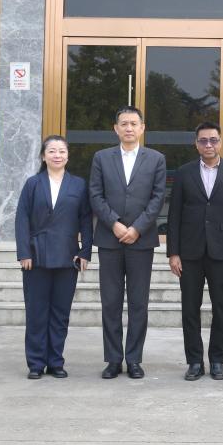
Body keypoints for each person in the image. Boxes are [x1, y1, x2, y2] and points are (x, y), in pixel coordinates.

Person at [166, 121, 223, 382]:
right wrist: (173, 252)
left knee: (221, 308)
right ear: (196, 144)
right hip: (189, 252)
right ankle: (194, 361)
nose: (209, 145)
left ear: (220, 142)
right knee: (190, 308)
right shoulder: (184, 172)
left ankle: (217, 360)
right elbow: (174, 214)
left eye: (213, 140)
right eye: (203, 140)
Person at [89, 106, 166, 380]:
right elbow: (95, 195)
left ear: (142, 128)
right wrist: (115, 223)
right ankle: (113, 359)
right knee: (110, 302)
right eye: (124, 123)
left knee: (138, 303)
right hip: (109, 239)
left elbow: (158, 198)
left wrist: (137, 228)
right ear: (116, 128)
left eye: (134, 123)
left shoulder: (156, 159)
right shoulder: (101, 157)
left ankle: (134, 359)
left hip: (141, 241)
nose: (129, 128)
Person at [14, 135, 92, 380]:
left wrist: (85, 251)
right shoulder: (33, 184)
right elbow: (21, 219)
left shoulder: (78, 185)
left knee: (60, 313)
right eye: (52, 151)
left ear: (68, 156)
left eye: (62, 151)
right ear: (43, 156)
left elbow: (86, 219)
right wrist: (24, 252)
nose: (57, 155)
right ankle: (36, 363)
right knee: (36, 313)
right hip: (36, 256)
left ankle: (56, 361)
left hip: (68, 256)